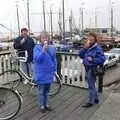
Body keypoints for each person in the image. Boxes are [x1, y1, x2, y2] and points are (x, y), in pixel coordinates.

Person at [79, 32, 105, 108]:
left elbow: (102, 59)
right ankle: (96, 99)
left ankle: (90, 102)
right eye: (89, 38)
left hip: (93, 68)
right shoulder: (87, 47)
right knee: (92, 84)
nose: (90, 40)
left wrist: (93, 59)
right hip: (87, 68)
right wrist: (84, 48)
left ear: (94, 39)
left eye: (91, 39)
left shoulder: (98, 48)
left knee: (90, 85)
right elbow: (80, 55)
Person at [33, 31, 57, 113]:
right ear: (40, 39)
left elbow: (54, 60)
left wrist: (54, 70)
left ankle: (46, 105)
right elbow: (37, 60)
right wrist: (43, 52)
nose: (45, 39)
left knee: (47, 91)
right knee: (41, 91)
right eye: (43, 38)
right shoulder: (36, 48)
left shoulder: (52, 48)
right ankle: (42, 106)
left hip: (49, 73)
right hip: (40, 73)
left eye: (46, 37)